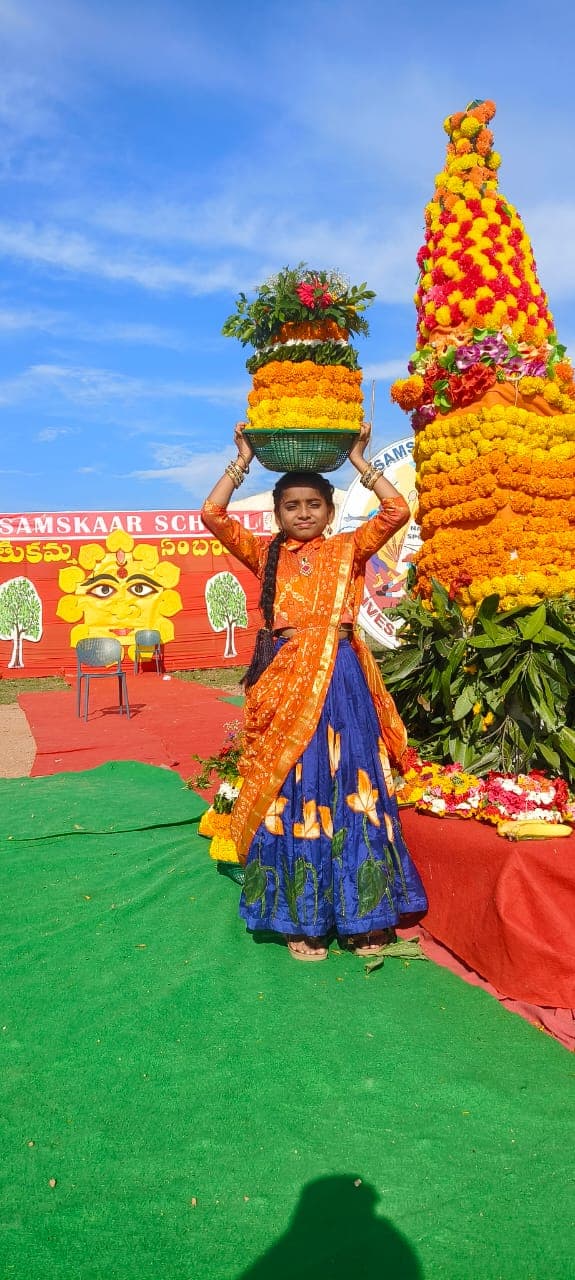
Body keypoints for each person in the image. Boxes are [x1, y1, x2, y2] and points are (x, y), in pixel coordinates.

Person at [201, 423, 427, 961]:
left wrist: (359, 461)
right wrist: (242, 461)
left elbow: (397, 512)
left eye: (312, 505)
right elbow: (212, 516)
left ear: (329, 510)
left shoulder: (348, 548)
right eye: (291, 506)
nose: (302, 513)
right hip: (287, 681)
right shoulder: (266, 556)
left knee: (354, 780)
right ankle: (298, 917)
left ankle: (362, 913)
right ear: (277, 513)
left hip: (343, 679)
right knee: (295, 786)